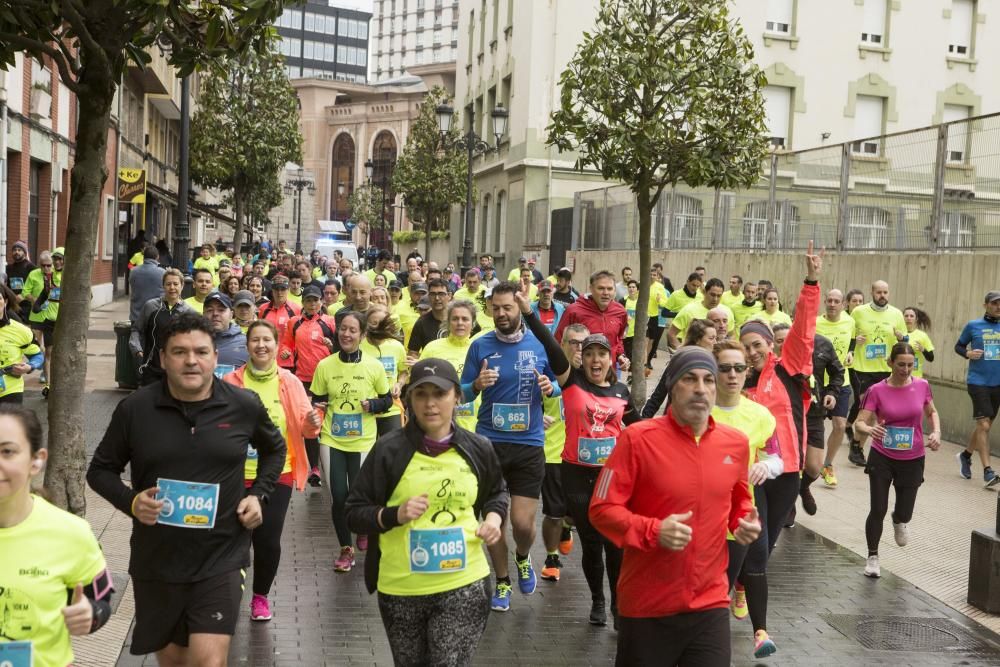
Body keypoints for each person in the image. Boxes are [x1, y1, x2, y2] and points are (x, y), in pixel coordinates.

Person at [88, 314, 286, 664]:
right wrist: (131, 501)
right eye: (179, 352)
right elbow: (100, 470)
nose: (191, 360)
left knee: (209, 660)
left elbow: (275, 449)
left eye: (201, 351)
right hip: (158, 559)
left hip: (222, 555)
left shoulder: (243, 405)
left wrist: (259, 493)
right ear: (163, 358)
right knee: (175, 660)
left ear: (215, 356)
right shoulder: (136, 409)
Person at [589, 346, 761, 665]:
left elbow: (739, 499)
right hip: (647, 607)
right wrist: (654, 530)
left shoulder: (735, 443)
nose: (701, 388)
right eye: (690, 379)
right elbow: (601, 510)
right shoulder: (636, 440)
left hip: (708, 604)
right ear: (671, 386)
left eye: (709, 380)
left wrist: (743, 522)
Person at [345, 359, 507, 667]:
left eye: (440, 393)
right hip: (401, 587)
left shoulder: (478, 447)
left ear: (457, 397)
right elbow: (354, 512)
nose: (430, 403)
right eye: (421, 395)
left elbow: (497, 491)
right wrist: (394, 515)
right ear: (409, 400)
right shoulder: (389, 450)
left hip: (464, 582)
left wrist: (494, 519)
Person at [460, 282, 566, 612]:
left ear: (518, 308)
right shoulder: (480, 346)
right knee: (494, 524)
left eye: (507, 307)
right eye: (496, 308)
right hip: (489, 445)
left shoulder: (538, 343)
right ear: (489, 309)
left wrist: (551, 389)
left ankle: (522, 557)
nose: (502, 314)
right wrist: (476, 384)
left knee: (522, 524)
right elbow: (462, 393)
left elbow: (559, 384)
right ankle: (502, 581)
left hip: (529, 444)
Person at [0, 404, 115, 665]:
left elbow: (101, 598)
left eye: (7, 451)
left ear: (36, 460)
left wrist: (91, 614)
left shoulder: (70, 533)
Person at [223, 320, 321, 621]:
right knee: (233, 539)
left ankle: (260, 597)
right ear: (247, 345)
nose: (261, 345)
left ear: (277, 346)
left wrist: (312, 423)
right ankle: (228, 594)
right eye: (255, 340)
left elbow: (305, 426)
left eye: (267, 340)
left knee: (266, 539)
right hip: (235, 473)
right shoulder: (230, 381)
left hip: (279, 471)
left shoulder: (289, 382)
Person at [738, 244, 822, 573]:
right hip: (749, 468)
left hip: (786, 469)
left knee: (769, 538)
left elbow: (803, 332)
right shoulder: (734, 380)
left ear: (770, 344)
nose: (752, 352)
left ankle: (747, 582)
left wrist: (811, 282)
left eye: (757, 345)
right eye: (745, 347)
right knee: (753, 535)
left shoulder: (788, 370)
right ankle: (740, 577)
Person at [550, 332, 638, 626]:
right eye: (589, 354)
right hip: (576, 474)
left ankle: (618, 603)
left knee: (615, 544)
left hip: (610, 476)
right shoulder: (572, 383)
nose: (595, 359)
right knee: (591, 542)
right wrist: (528, 312)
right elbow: (552, 349)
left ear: (610, 359)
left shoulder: (621, 392)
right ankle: (598, 601)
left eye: (601, 354)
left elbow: (640, 428)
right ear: (582, 359)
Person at [710, 340, 781, 655]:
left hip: (735, 519)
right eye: (724, 368)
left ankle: (746, 637)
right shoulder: (697, 407)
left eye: (739, 368)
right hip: (697, 516)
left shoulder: (759, 415)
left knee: (721, 590)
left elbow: (777, 456)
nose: (732, 375)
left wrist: (765, 465)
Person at [311, 310, 393, 572]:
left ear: (362, 335)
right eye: (343, 329)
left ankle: (362, 528)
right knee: (339, 495)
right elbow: (316, 398)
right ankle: (346, 550)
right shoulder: (325, 365)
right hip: (332, 439)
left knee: (358, 497)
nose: (346, 334)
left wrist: (373, 405)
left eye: (352, 330)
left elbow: (388, 400)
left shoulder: (374, 366)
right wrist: (317, 406)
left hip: (363, 441)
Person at [854, 343, 941, 578]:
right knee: (877, 508)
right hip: (882, 455)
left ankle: (899, 520)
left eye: (910, 365)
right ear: (890, 363)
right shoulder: (876, 390)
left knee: (905, 512)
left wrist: (936, 432)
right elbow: (859, 422)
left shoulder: (922, 386)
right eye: (901, 364)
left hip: (913, 457)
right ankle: (872, 556)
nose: (905, 369)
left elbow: (931, 411)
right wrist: (870, 429)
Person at [539, 324, 588, 584]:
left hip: (584, 457)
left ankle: (568, 526)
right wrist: (538, 416)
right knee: (554, 512)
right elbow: (528, 401)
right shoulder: (548, 371)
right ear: (563, 345)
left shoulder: (596, 373)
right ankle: (551, 557)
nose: (579, 348)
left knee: (577, 512)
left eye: (583, 343)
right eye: (573, 343)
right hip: (554, 453)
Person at [848, 281, 907, 467]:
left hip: (885, 368)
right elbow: (848, 334)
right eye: (879, 292)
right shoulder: (859, 312)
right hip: (863, 368)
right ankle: (857, 447)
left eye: (885, 292)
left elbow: (905, 338)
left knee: (874, 414)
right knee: (869, 410)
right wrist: (854, 343)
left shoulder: (896, 314)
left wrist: (901, 338)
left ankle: (857, 445)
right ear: (872, 292)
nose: (882, 295)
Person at [956, 292, 1000, 487]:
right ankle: (988, 471)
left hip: (997, 384)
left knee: (985, 425)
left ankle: (965, 456)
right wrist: (967, 353)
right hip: (978, 382)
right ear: (985, 305)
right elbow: (958, 346)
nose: (998, 306)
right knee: (983, 426)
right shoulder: (974, 326)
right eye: (995, 303)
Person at [798, 333, 844, 519]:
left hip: (815, 411)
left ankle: (803, 488)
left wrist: (832, 392)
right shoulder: (785, 340)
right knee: (791, 465)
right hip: (789, 411)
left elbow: (838, 372)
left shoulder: (823, 343)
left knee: (814, 467)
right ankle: (787, 507)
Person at [815, 289, 856, 487]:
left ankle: (828, 465)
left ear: (843, 304)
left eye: (836, 301)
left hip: (841, 381)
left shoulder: (849, 321)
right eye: (829, 300)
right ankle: (805, 462)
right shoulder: (815, 323)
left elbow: (853, 340)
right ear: (825, 302)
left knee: (840, 425)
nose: (832, 304)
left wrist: (851, 353)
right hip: (817, 383)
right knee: (814, 426)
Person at [420, 300, 481, 433]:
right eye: (455, 319)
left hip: (474, 423)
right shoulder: (432, 348)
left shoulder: (479, 349)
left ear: (473, 323)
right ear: (448, 322)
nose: (460, 323)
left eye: (465, 319)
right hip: (438, 423)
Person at [555, 270, 630, 372]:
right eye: (601, 288)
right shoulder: (573, 311)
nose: (606, 293)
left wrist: (620, 355)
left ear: (615, 291)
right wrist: (569, 360)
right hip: (580, 375)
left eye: (610, 289)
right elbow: (558, 342)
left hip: (608, 375)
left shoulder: (620, 311)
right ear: (591, 289)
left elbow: (618, 338)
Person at [130, 269, 195, 387]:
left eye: (176, 284)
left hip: (177, 371)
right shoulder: (150, 306)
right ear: (163, 286)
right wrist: (137, 349)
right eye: (168, 284)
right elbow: (136, 329)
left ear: (182, 285)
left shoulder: (189, 312)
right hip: (151, 369)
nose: (172, 287)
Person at [362, 304, 408, 435]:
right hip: (365, 407)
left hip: (391, 407)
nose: (378, 326)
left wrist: (399, 385)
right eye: (374, 323)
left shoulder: (396, 346)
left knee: (391, 450)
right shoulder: (358, 345)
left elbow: (404, 371)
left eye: (382, 323)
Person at [668, 278, 734, 348]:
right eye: (712, 295)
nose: (715, 299)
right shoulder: (689, 310)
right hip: (694, 356)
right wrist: (681, 352)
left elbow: (731, 335)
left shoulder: (727, 311)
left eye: (719, 296)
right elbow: (671, 334)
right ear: (705, 292)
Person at [406, 278, 454, 354]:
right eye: (433, 294)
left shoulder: (460, 319)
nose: (437, 298)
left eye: (441, 294)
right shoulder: (421, 323)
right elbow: (412, 353)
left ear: (449, 296)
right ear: (428, 296)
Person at [203, 292, 248, 371]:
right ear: (203, 314)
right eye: (210, 310)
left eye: (221, 310)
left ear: (231, 315)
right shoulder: (193, 342)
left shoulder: (245, 343)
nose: (215, 314)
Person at [258, 274, 302, 340]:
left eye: (283, 289)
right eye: (276, 289)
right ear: (272, 290)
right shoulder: (263, 308)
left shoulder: (297, 309)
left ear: (288, 290)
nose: (279, 292)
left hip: (287, 349)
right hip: (268, 348)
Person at [6, 240, 34, 320]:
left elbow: (37, 285)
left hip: (27, 306)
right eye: (14, 250)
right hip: (13, 306)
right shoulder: (8, 268)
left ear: (24, 253)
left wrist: (24, 296)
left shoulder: (31, 267)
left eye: (19, 250)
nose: (16, 252)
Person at [903, 307, 934, 379]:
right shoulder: (898, 334)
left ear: (916, 319)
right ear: (902, 318)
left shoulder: (922, 336)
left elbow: (931, 358)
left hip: (915, 377)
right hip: (899, 377)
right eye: (906, 316)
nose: (909, 318)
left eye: (911, 316)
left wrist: (923, 350)